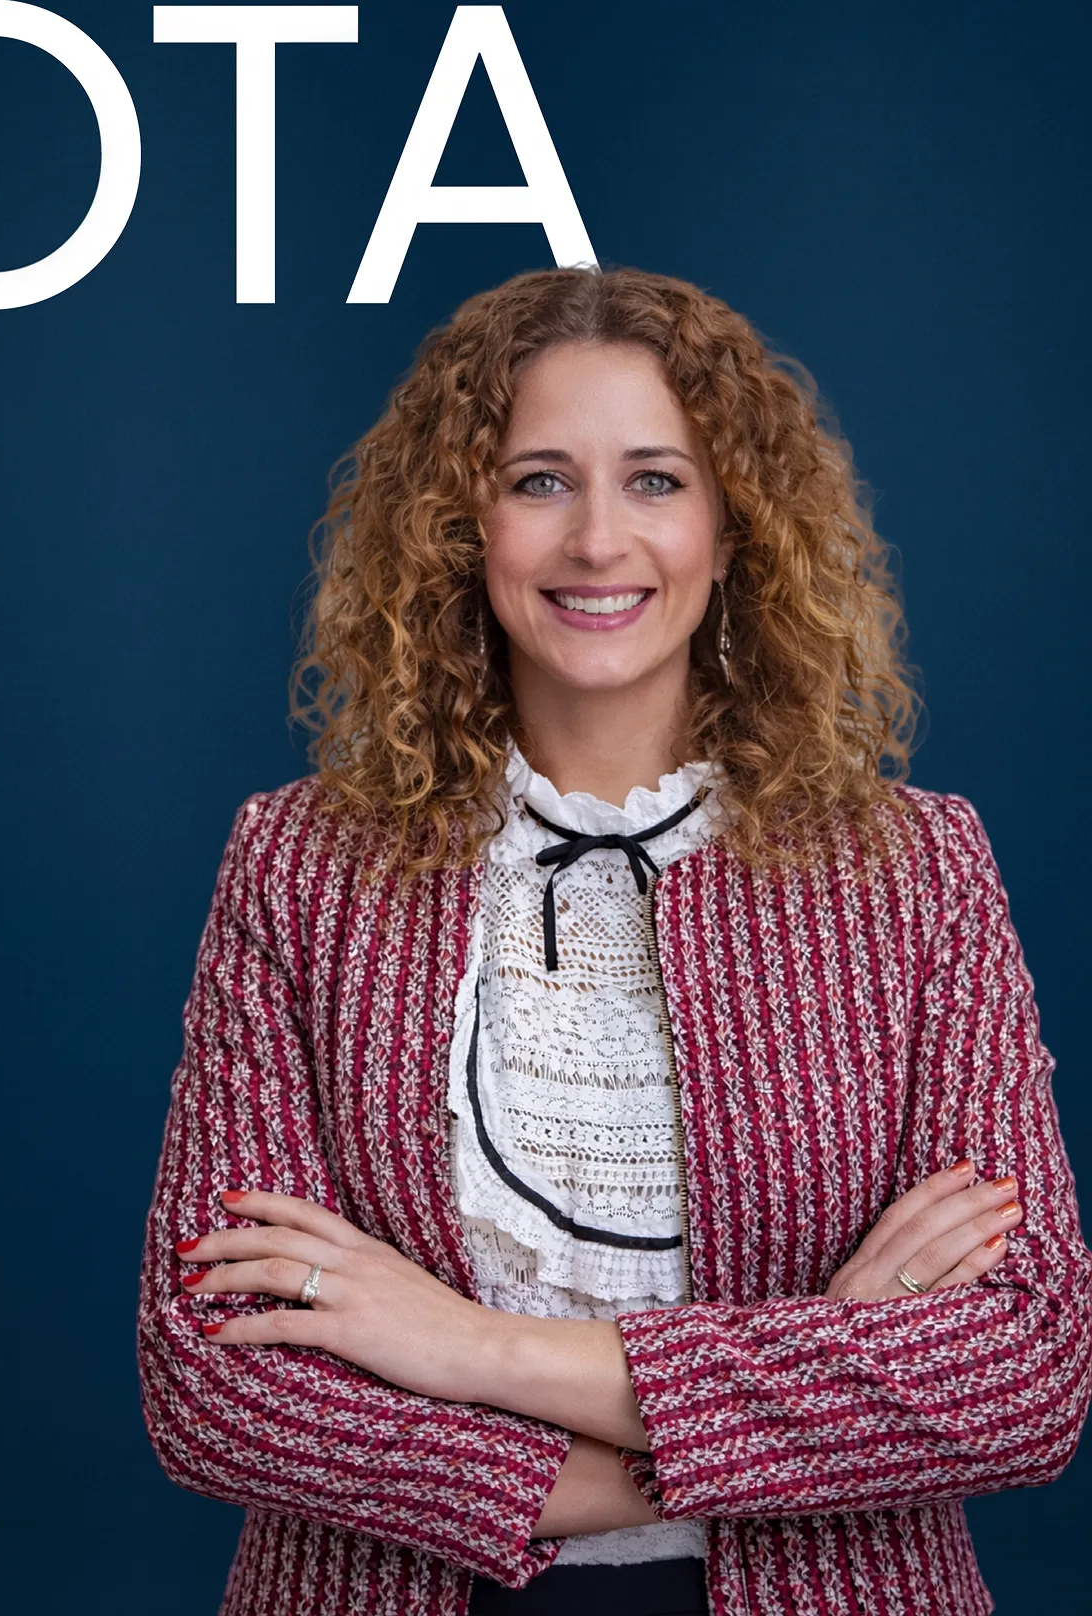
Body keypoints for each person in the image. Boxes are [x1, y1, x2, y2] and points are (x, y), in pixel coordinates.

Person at [136, 264, 1092, 1616]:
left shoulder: (915, 871)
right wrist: (802, 1379)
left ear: (734, 525)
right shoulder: (301, 865)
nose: (597, 541)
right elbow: (215, 1383)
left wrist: (467, 1348)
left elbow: (1024, 1371)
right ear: (460, 527)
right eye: (539, 481)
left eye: (656, 480)